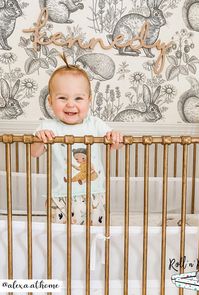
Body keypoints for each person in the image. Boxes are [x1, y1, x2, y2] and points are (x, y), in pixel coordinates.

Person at [31, 53, 123, 225]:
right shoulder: (48, 126)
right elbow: (35, 153)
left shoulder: (95, 124)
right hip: (60, 196)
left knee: (93, 236)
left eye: (78, 98)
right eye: (62, 98)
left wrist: (115, 137)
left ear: (89, 100)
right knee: (59, 239)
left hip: (94, 194)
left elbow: (116, 145)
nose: (70, 104)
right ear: (50, 101)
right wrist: (40, 139)